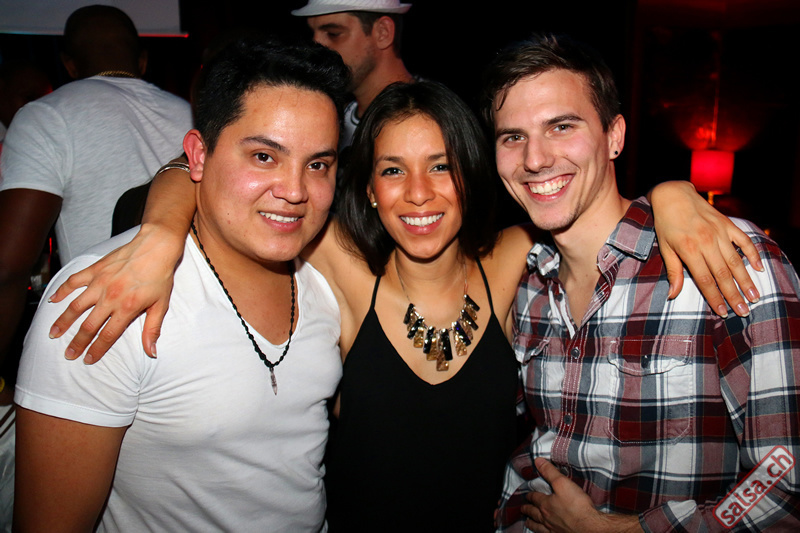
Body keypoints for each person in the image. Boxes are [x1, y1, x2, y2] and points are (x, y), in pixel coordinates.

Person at [42, 76, 763, 532]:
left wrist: (671, 196)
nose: (418, 194)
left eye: (440, 166)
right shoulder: (339, 262)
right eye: (393, 170)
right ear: (367, 187)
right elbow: (190, 173)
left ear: (471, 174)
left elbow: (596, 205)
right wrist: (159, 234)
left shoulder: (513, 257)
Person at [14, 35, 350, 531]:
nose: (295, 190)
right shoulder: (106, 298)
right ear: (197, 155)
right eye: (264, 157)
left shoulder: (328, 278)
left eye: (318, 164)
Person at [480, 34, 800, 532]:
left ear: (614, 136)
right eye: (513, 137)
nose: (535, 159)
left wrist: (624, 531)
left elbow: (786, 485)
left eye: (561, 126)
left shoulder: (725, 258)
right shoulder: (524, 283)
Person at [0, 5, 192, 363]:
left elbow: (8, 265)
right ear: (143, 60)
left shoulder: (45, 116)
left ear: (69, 65)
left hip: (105, 334)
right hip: (201, 324)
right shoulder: (191, 112)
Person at [292, 0, 415, 151]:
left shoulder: (431, 118)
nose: (317, 48)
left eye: (333, 34)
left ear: (383, 32)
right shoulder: (335, 115)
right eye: (313, 35)